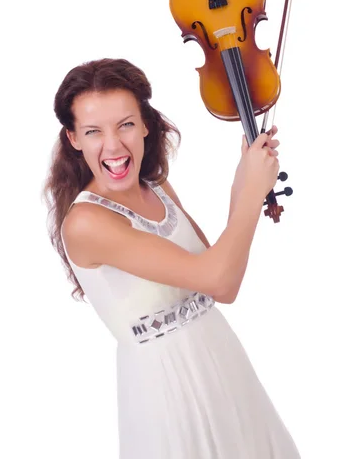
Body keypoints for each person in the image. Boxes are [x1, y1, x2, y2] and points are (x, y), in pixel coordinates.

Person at [43, 57, 301, 458]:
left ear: (145, 123)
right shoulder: (87, 223)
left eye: (125, 124)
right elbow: (222, 282)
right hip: (167, 386)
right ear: (73, 139)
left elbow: (216, 263)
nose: (113, 146)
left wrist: (244, 175)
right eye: (93, 131)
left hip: (221, 358)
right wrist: (252, 191)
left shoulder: (155, 184)